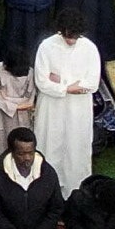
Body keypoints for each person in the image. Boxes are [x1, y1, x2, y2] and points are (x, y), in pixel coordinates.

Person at [31, 10, 101, 202]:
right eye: (68, 36)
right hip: (51, 106)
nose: (71, 41)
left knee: (75, 145)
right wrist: (70, 87)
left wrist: (60, 82)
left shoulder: (89, 48)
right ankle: (46, 188)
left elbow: (92, 83)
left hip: (78, 108)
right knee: (50, 142)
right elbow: (42, 81)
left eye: (74, 37)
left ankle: (75, 189)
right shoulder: (46, 46)